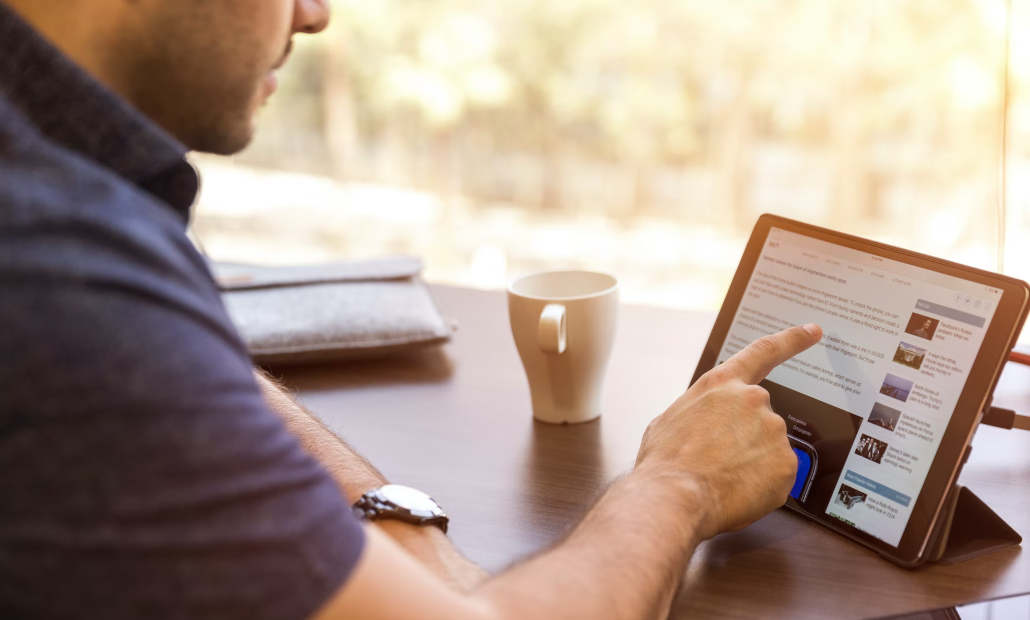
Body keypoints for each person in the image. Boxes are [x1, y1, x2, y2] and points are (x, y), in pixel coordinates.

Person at [0, 1, 823, 618]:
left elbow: (175, 363)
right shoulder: (51, 267)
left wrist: (400, 528)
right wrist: (679, 483)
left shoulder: (63, 202)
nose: (315, 14)